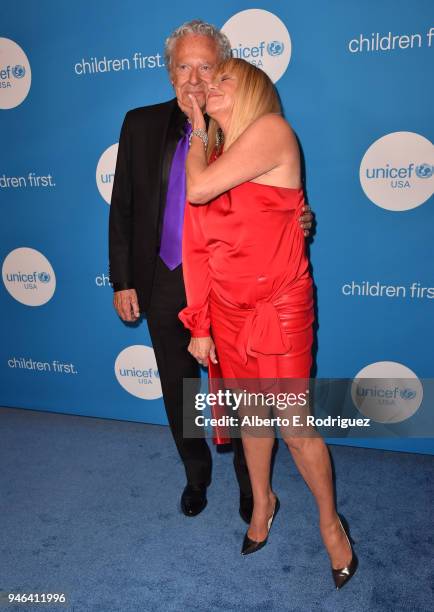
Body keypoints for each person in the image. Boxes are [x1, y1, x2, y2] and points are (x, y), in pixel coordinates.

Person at [108, 20, 313, 522]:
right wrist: (122, 279)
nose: (195, 79)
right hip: (159, 279)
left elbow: (269, 197)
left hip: (224, 284)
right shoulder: (138, 124)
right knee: (179, 387)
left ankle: (253, 487)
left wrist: (296, 217)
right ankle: (196, 475)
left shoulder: (236, 129)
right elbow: (123, 208)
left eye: (206, 67)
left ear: (222, 73)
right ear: (169, 73)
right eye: (184, 66)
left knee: (240, 391)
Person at [179, 58, 357, 589]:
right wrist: (202, 322)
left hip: (278, 306)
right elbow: (202, 248)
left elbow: (199, 190)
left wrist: (194, 131)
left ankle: (331, 525)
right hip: (230, 312)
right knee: (253, 418)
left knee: (296, 428)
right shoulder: (219, 151)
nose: (209, 86)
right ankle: (263, 505)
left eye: (222, 80)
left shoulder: (271, 131)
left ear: (253, 91)